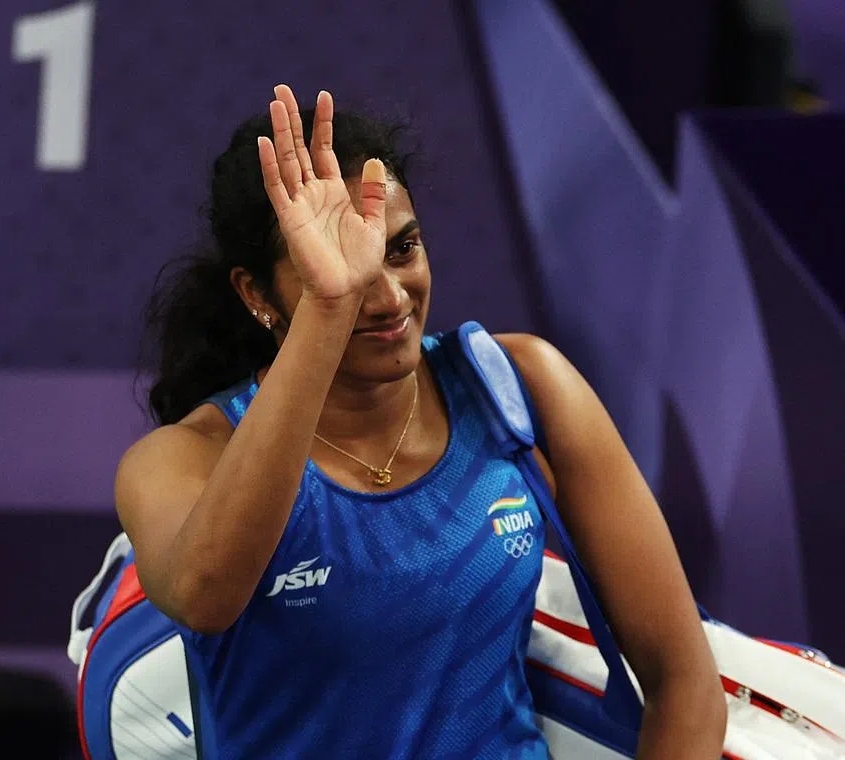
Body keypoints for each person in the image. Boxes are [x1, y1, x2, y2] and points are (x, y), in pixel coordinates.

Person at [117, 84, 726, 757]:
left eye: (402, 249)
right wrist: (327, 305)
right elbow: (204, 598)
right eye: (344, 271)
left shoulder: (522, 388)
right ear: (258, 295)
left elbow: (684, 679)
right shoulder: (181, 458)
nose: (386, 297)